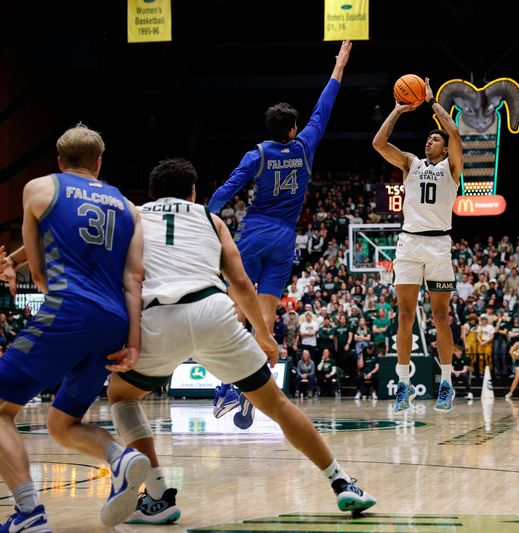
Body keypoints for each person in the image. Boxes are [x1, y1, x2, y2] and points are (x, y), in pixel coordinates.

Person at [103, 159, 374, 524]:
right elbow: (242, 285)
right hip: (212, 310)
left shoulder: (133, 215)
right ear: (194, 192)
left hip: (158, 315)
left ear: (151, 193)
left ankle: (157, 493)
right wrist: (263, 333)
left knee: (121, 396)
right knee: (276, 405)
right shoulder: (210, 219)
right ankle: (341, 481)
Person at [0, 124, 148, 529]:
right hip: (115, 322)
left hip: (69, 309)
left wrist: (14, 263)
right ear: (99, 163)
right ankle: (121, 457)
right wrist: (132, 344)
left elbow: (44, 275)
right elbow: (134, 280)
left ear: (59, 161)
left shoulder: (38, 189)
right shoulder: (127, 207)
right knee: (61, 423)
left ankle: (29, 514)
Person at [206, 41, 352, 415]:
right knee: (266, 317)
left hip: (254, 232)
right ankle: (252, 389)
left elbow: (227, 189)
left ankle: (227, 384)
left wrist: (204, 215)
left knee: (238, 307)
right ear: (293, 128)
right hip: (285, 238)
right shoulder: (304, 146)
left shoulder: (256, 154)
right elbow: (325, 106)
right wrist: (338, 67)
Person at [372, 76, 463, 413]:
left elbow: (454, 133)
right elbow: (379, 143)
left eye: (434, 138)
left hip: (439, 246)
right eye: (428, 138)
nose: (430, 141)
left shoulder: (453, 168)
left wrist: (431, 101)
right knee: (405, 316)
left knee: (441, 316)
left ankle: (446, 385)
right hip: (409, 244)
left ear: (444, 146)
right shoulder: (411, 163)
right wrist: (398, 109)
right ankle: (403, 386)